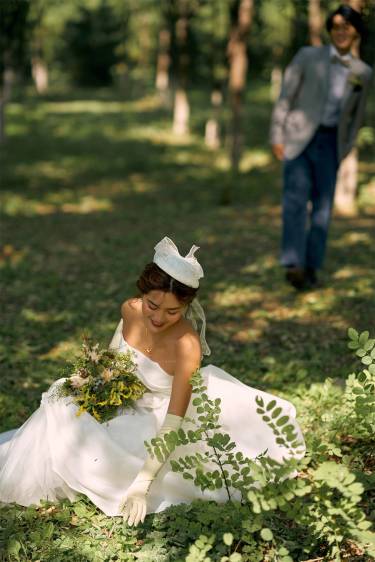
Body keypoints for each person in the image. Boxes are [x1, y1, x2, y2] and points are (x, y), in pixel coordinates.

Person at [0, 237, 304, 526]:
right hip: (121, 397)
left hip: (163, 416)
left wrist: (142, 485)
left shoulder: (187, 344)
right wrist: (89, 382)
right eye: (152, 306)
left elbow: (173, 423)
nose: (158, 318)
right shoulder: (130, 309)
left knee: (112, 447)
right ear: (142, 295)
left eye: (172, 311)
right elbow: (112, 356)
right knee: (60, 397)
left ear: (186, 307)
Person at [270, 4, 372, 290]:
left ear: (355, 33)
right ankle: (293, 264)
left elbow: (356, 116)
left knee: (323, 208)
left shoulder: (362, 73)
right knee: (294, 202)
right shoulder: (307, 56)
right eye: (336, 26)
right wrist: (277, 135)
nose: (341, 31)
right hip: (298, 138)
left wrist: (346, 147)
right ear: (330, 30)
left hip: (331, 143)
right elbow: (285, 96)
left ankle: (312, 266)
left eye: (347, 27)